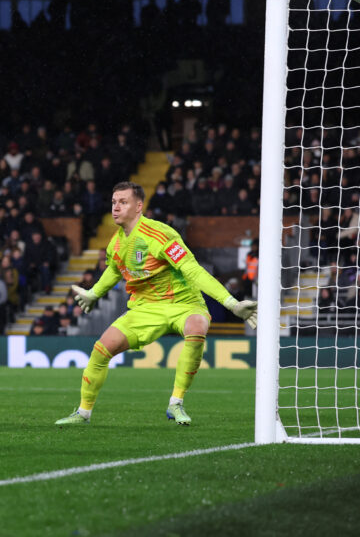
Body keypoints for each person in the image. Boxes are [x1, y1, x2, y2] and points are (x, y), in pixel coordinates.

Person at [56, 181, 257, 427]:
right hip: (145, 308)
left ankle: (176, 402)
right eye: (113, 202)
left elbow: (193, 270)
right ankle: (83, 413)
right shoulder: (116, 243)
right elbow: (114, 270)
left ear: (138, 206)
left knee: (196, 327)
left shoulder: (160, 235)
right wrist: (94, 293)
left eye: (123, 202)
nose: (115, 208)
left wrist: (231, 303)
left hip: (183, 302)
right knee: (101, 349)